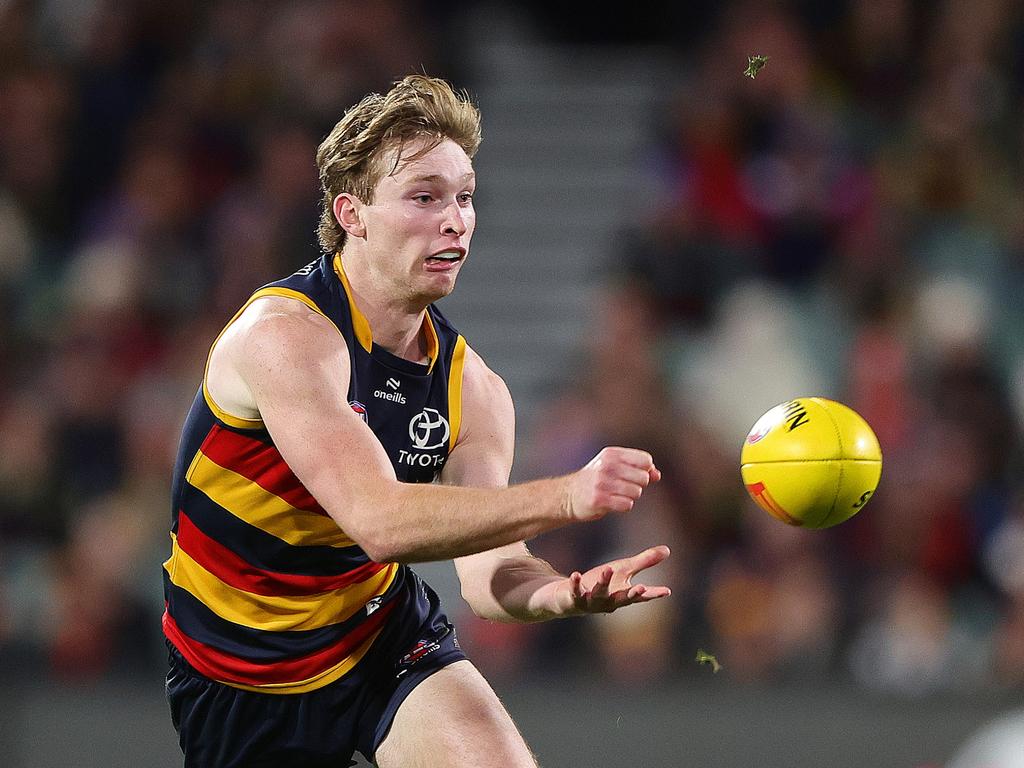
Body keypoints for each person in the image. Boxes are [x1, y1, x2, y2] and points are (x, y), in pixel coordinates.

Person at [162, 73, 672, 768]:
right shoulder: (283, 336)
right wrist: (564, 495)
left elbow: (490, 572)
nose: (455, 219)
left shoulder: (476, 390)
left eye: (464, 197)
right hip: (239, 670)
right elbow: (378, 522)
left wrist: (555, 594)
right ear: (352, 213)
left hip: (378, 635)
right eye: (425, 197)